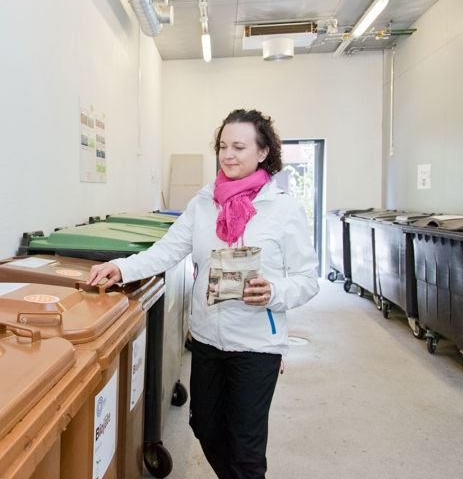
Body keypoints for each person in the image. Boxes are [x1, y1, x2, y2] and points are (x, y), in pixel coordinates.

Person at [87, 109, 319, 479]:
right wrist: (122, 268)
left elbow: (309, 278)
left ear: (262, 152)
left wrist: (274, 291)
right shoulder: (203, 203)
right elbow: (166, 250)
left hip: (257, 345)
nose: (228, 154)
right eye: (223, 146)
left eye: (239, 146)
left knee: (246, 446)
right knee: (206, 428)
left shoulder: (283, 208)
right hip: (209, 339)